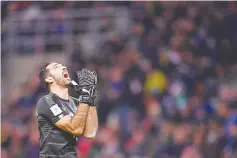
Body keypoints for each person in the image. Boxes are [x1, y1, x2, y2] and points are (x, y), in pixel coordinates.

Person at [36, 62, 98, 158]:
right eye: (56, 67)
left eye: (63, 66)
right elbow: (73, 127)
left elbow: (91, 132)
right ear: (49, 78)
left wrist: (91, 99)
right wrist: (85, 99)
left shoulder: (77, 102)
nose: (64, 67)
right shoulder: (46, 101)